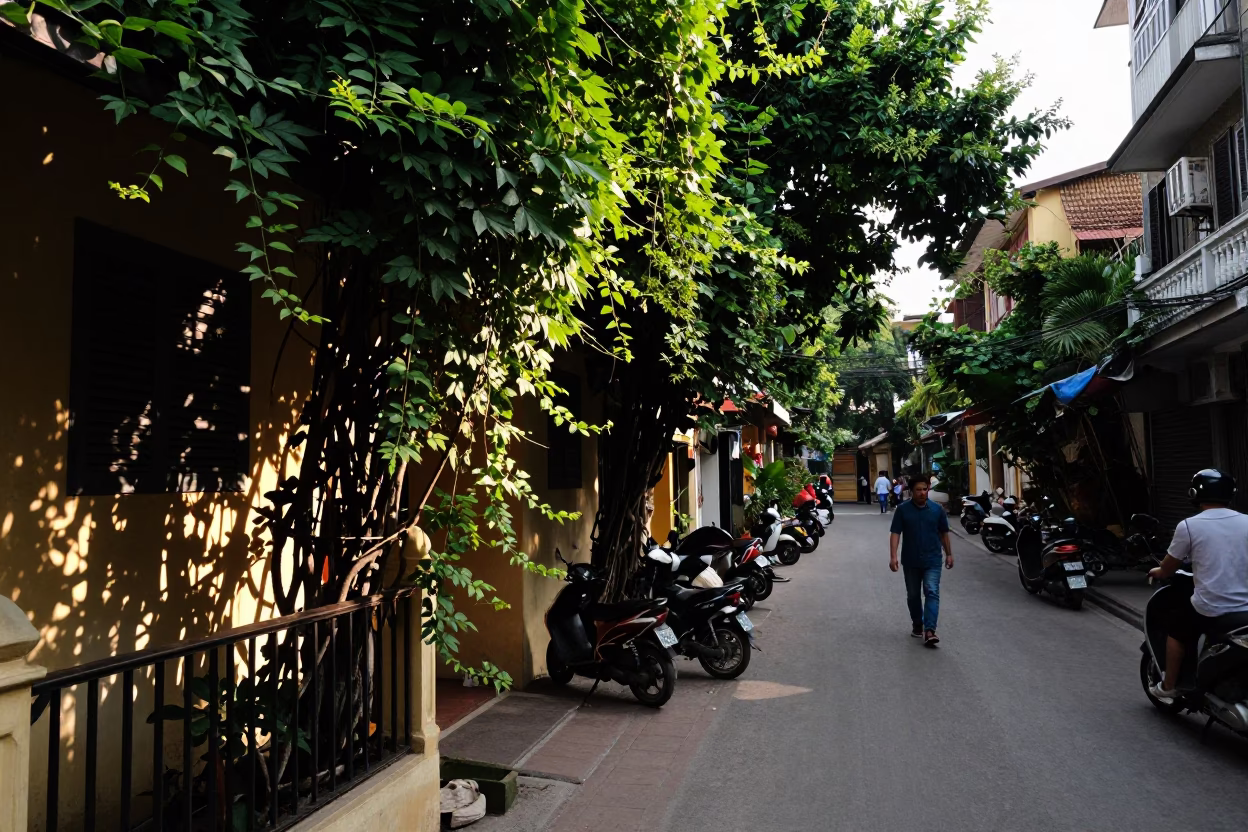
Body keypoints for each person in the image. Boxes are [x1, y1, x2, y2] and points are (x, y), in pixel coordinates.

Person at [1147, 469, 1248, 703]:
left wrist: (1157, 571)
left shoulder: (1189, 526)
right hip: (1244, 610)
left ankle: (1170, 685)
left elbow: (1168, 568)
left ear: (1194, 493)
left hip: (1211, 607)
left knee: (1176, 631)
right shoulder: (1246, 521)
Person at [889, 475, 954, 646]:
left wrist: (949, 554)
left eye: (925, 489)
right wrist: (893, 556)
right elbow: (895, 533)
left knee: (931, 591)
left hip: (933, 559)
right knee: (913, 595)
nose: (922, 493)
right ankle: (918, 624)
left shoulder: (937, 510)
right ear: (912, 491)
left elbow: (944, 533)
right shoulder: (902, 510)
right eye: (918, 490)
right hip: (910, 560)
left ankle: (930, 629)